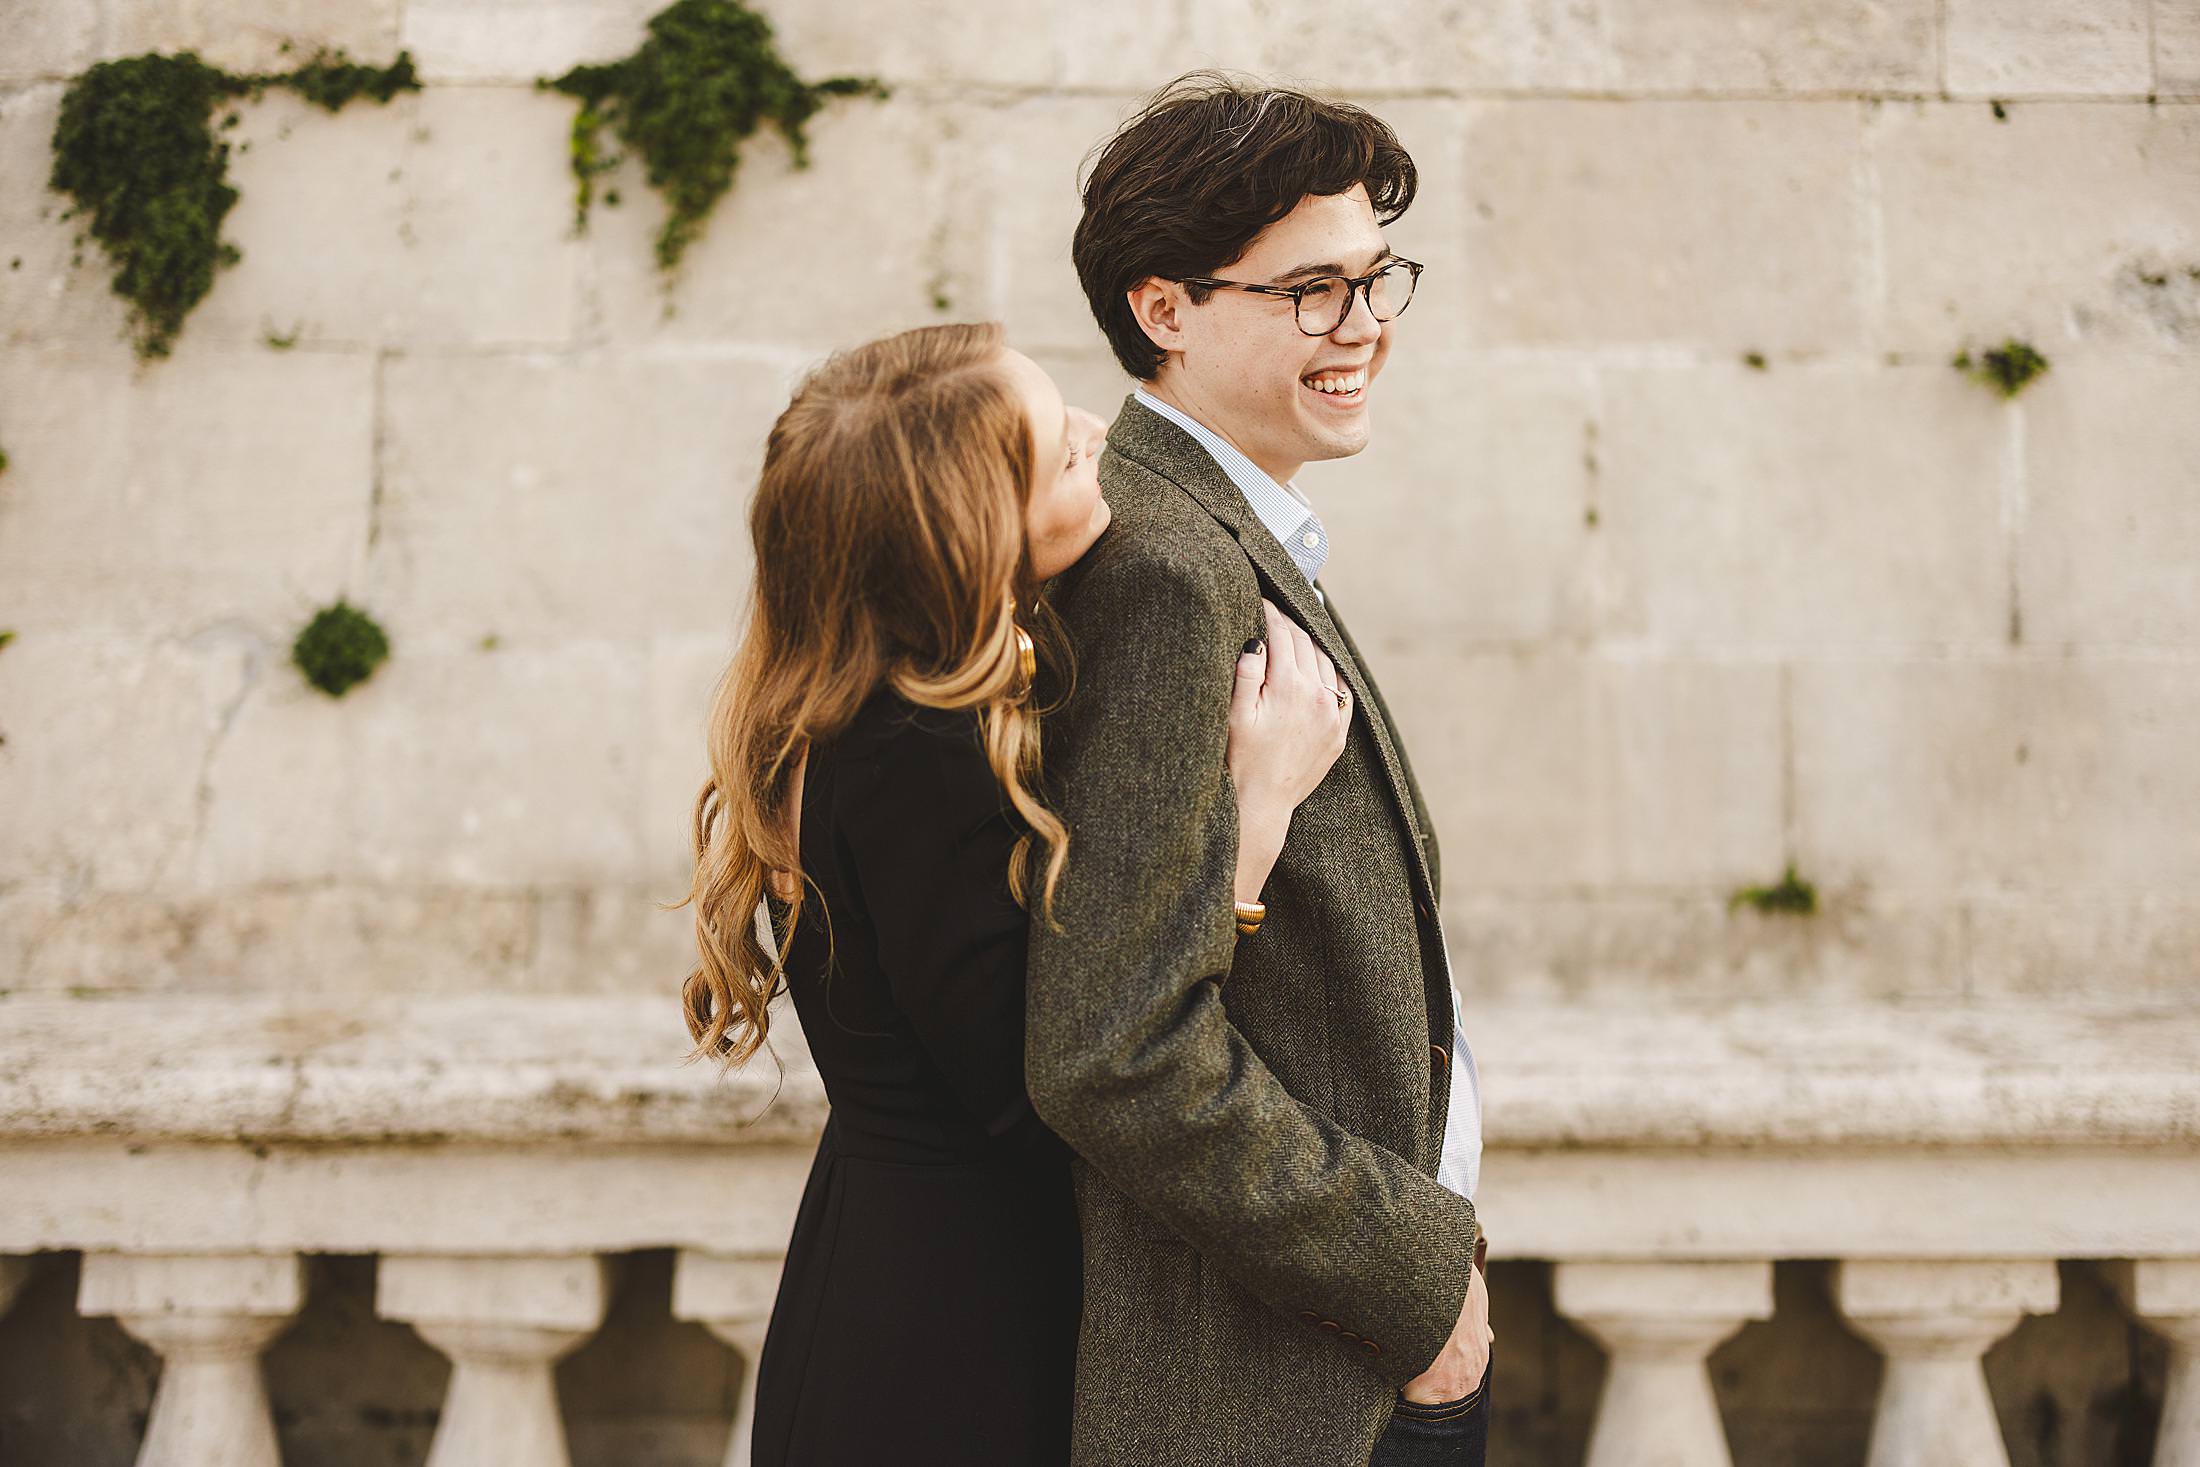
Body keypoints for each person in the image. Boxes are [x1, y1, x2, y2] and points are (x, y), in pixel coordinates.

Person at [673, 320, 1359, 1466]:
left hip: (902, 1280)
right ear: (975, 534)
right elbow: (1042, 1082)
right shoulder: (908, 753)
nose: (1098, 432)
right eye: (1062, 451)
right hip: (950, 1341)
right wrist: (1251, 823)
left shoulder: (869, 708)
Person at [1024, 73, 1493, 1465]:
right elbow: (1115, 1052)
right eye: (1310, 292)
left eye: (1376, 278)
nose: (1365, 326)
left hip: (1342, 1355)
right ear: (1164, 310)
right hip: (1286, 1384)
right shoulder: (1169, 572)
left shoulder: (1219, 533)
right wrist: (1415, 1284)